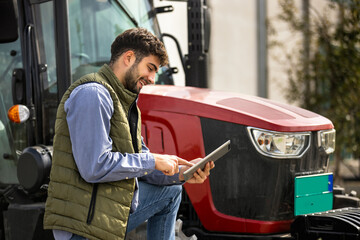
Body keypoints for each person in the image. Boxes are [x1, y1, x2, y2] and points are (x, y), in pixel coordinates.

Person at [43, 27, 214, 240]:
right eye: (150, 68)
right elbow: (94, 167)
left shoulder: (125, 103)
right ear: (129, 57)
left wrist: (182, 173)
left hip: (102, 212)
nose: (152, 78)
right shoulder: (93, 94)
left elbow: (142, 166)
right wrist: (152, 160)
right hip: (82, 227)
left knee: (172, 191)